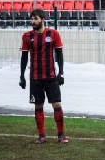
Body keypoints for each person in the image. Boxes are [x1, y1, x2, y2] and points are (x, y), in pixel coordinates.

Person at [19, 8, 68, 144]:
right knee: (38, 106)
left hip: (51, 76)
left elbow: (59, 54)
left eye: (36, 19)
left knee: (57, 104)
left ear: (42, 19)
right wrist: (22, 76)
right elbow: (24, 57)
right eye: (32, 19)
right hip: (35, 77)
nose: (33, 21)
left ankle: (61, 134)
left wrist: (61, 73)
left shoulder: (53, 34)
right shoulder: (27, 36)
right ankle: (41, 135)